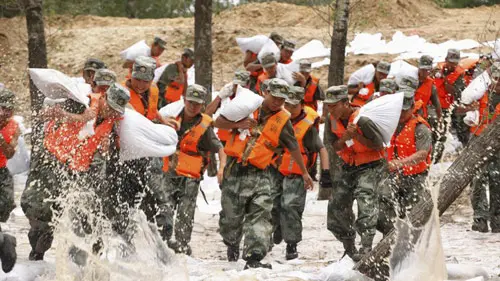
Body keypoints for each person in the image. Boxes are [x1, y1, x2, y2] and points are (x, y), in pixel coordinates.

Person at [216, 78, 313, 269]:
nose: (278, 102)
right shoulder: (247, 106)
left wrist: (304, 173)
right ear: (266, 93)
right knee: (230, 218)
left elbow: (293, 146)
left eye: (282, 100)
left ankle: (254, 257)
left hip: (260, 173)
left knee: (260, 214)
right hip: (235, 170)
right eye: (274, 97)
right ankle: (232, 244)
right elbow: (218, 122)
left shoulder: (283, 119)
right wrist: (239, 124)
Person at [159, 84, 226, 255]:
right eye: (190, 102)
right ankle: (162, 243)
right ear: (184, 100)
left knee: (185, 213)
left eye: (197, 103)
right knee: (164, 209)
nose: (193, 106)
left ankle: (182, 246)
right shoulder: (170, 116)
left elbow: (220, 148)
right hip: (169, 172)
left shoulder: (204, 125)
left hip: (190, 177)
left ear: (202, 105)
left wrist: (221, 168)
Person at [323, 85, 386, 262]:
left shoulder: (363, 119)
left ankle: (366, 247)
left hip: (370, 165)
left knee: (365, 201)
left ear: (345, 103)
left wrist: (357, 136)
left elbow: (378, 145)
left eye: (334, 105)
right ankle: (349, 248)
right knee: (337, 205)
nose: (330, 109)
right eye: (328, 105)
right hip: (349, 165)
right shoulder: (331, 119)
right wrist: (345, 137)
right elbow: (334, 145)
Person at [270, 85, 328, 260]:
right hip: (276, 169)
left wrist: (325, 173)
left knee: (291, 207)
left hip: (298, 172)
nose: (289, 109)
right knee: (272, 204)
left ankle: (291, 244)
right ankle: (278, 228)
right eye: (286, 105)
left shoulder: (307, 126)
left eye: (293, 106)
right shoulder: (277, 118)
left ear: (301, 105)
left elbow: (322, 149)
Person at [378, 91, 433, 236]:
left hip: (416, 177)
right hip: (393, 176)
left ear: (412, 108)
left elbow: (422, 154)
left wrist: (401, 163)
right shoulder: (391, 125)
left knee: (413, 214)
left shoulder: (421, 128)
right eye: (399, 110)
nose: (401, 114)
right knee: (383, 201)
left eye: (405, 110)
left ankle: (413, 246)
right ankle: (390, 236)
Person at [460, 62, 500, 233]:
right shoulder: (482, 94)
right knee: (478, 180)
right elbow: (464, 104)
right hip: (479, 141)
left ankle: (497, 221)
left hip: (498, 145)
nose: (498, 83)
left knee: (497, 181)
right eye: (496, 79)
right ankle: (480, 220)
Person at [434, 48, 469, 159]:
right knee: (438, 133)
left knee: (460, 127)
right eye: (451, 62)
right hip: (436, 105)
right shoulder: (437, 69)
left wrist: (445, 80)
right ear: (446, 60)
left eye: (455, 63)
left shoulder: (460, 76)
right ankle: (436, 158)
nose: (452, 65)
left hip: (451, 107)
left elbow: (457, 93)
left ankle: (465, 150)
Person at [205, 70, 252, 144]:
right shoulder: (226, 96)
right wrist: (219, 96)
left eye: (241, 86)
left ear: (248, 85)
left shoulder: (253, 100)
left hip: (241, 143)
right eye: (235, 85)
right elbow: (207, 113)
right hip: (224, 140)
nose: (237, 89)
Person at [0, 87, 18, 273]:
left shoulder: (13, 126)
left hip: (2, 172)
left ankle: (6, 243)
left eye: (9, 109)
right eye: (3, 108)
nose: (6, 112)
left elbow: (11, 152)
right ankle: (5, 244)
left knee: (4, 208)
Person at [416, 55, 443, 157]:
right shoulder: (410, 81)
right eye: (422, 70)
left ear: (431, 71)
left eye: (427, 70)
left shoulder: (431, 86)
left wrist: (440, 119)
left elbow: (437, 105)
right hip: (407, 115)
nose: (424, 73)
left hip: (423, 117)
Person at [122, 56, 160, 121]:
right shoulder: (121, 93)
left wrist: (164, 121)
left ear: (151, 80)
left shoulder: (153, 87)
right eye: (137, 79)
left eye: (146, 81)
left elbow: (152, 107)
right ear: (131, 75)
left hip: (149, 123)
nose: (140, 85)